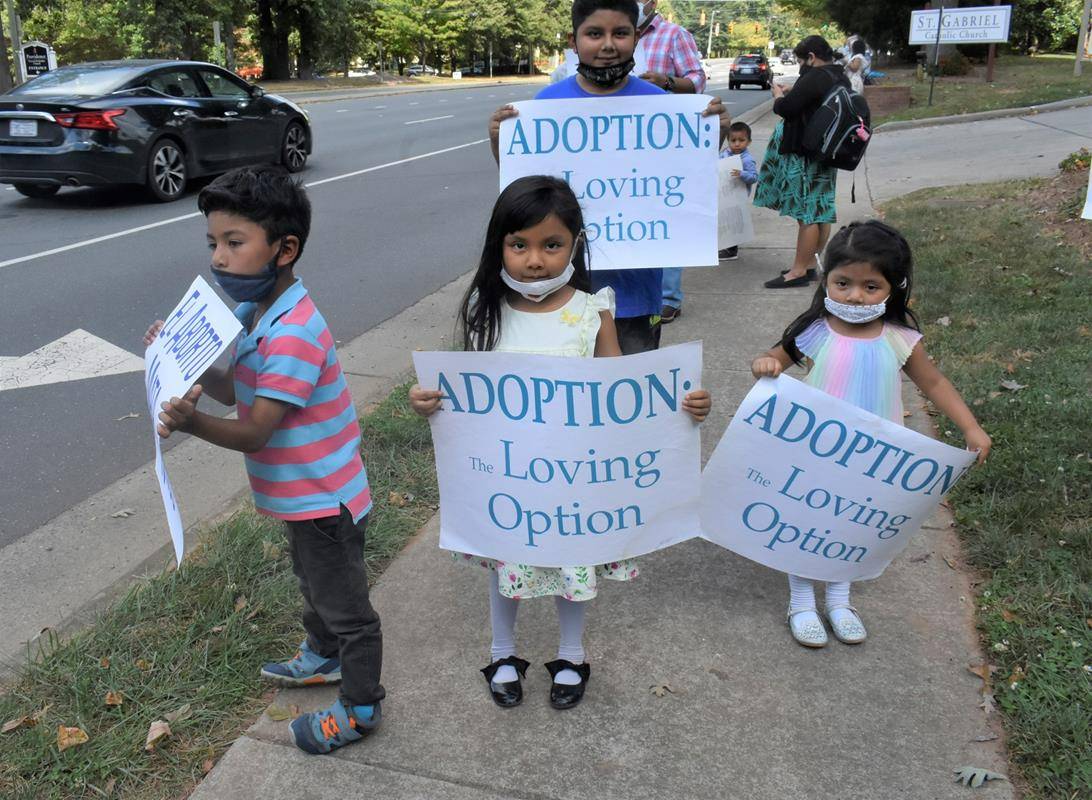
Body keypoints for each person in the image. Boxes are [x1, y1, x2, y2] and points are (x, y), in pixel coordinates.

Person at [410, 175, 711, 709]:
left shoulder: (592, 310)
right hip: (511, 475)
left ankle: (571, 655)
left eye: (551, 245)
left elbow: (621, 389)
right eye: (519, 244)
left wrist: (679, 406)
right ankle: (503, 651)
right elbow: (467, 387)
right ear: (498, 245)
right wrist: (431, 399)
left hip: (575, 474)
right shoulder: (488, 308)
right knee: (508, 561)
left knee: (575, 561)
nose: (534, 260)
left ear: (575, 243)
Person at [144, 166, 384, 755]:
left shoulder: (293, 332)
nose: (219, 258)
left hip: (325, 498)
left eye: (234, 242)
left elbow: (255, 432)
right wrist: (185, 360)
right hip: (303, 495)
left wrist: (190, 421)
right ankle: (321, 657)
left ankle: (361, 707)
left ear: (285, 249)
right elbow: (237, 388)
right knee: (313, 582)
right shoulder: (262, 315)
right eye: (213, 243)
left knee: (348, 609)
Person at [750, 220, 991, 647]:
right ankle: (802, 598)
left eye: (870, 287)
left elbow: (933, 383)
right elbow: (774, 356)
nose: (854, 295)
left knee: (852, 524)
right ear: (826, 279)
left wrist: (970, 427)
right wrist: (766, 365)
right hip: (816, 450)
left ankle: (841, 598)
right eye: (843, 283)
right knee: (807, 520)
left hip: (876, 457)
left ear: (893, 289)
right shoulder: (816, 330)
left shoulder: (899, 339)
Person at [488, 0, 730, 353]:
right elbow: (527, 193)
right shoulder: (545, 104)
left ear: (636, 38)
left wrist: (715, 134)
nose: (607, 45)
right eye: (594, 33)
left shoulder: (661, 103)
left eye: (620, 33)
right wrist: (501, 144)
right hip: (560, 292)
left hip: (634, 294)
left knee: (624, 393)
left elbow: (685, 181)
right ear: (574, 41)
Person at [632, 0, 709, 324]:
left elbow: (697, 79)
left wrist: (665, 81)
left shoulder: (673, 34)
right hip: (619, 142)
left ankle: (667, 297)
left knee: (664, 213)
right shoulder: (611, 32)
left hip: (661, 138)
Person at [753, 35, 849, 289]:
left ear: (811, 57)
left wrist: (778, 96)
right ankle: (808, 266)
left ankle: (797, 272)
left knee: (806, 214)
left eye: (800, 60)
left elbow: (787, 109)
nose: (800, 65)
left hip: (806, 153)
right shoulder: (839, 75)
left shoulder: (816, 75)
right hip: (827, 153)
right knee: (821, 210)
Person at [718, 121, 759, 261]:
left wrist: (742, 174)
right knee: (725, 220)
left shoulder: (747, 160)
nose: (737, 144)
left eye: (741, 140)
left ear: (749, 142)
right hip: (725, 193)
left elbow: (754, 177)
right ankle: (724, 245)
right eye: (733, 140)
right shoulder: (724, 154)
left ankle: (732, 250)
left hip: (738, 195)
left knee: (734, 222)